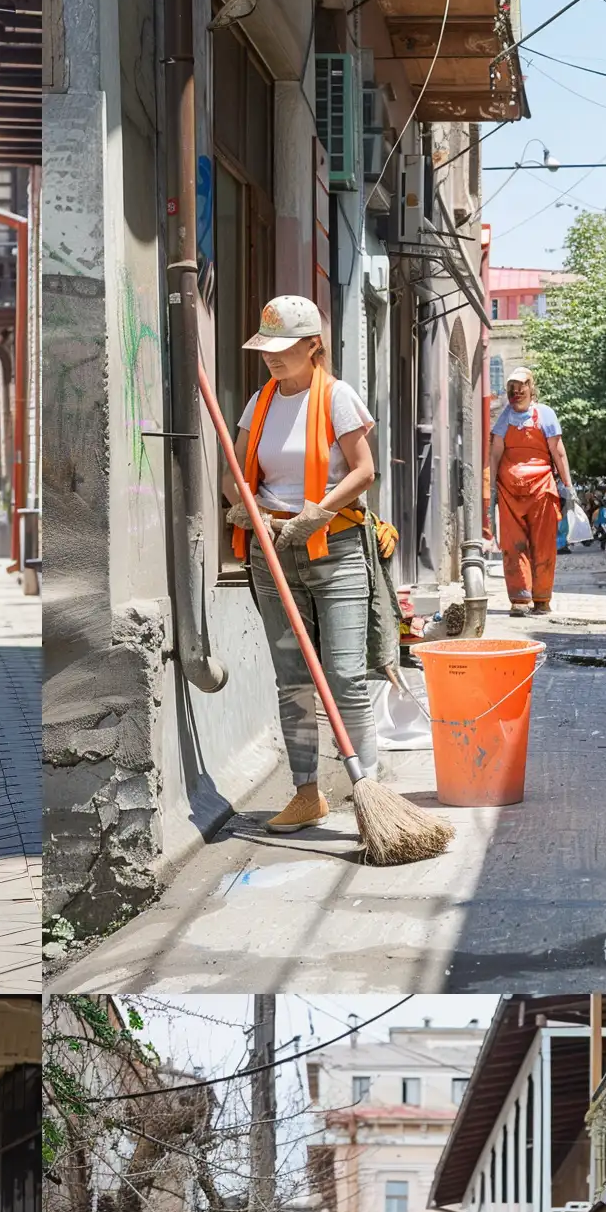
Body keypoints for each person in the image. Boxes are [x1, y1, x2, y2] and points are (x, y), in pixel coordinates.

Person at [222, 295, 388, 836]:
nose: (270, 356)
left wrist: (316, 514)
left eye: (283, 346)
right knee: (292, 678)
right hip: (272, 553)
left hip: (333, 550)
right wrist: (252, 513)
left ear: (312, 345)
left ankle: (370, 796)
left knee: (344, 676)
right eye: (264, 346)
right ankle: (305, 793)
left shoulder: (338, 397)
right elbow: (236, 472)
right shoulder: (260, 401)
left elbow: (364, 471)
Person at [487, 370, 574, 614]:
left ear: (530, 387)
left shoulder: (545, 414)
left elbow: (558, 451)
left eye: (520, 386)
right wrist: (492, 488)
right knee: (513, 545)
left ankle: (542, 599)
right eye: (511, 388)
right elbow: (495, 454)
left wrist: (568, 486)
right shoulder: (504, 419)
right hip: (509, 492)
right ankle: (519, 599)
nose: (516, 392)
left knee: (543, 545)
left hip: (541, 490)